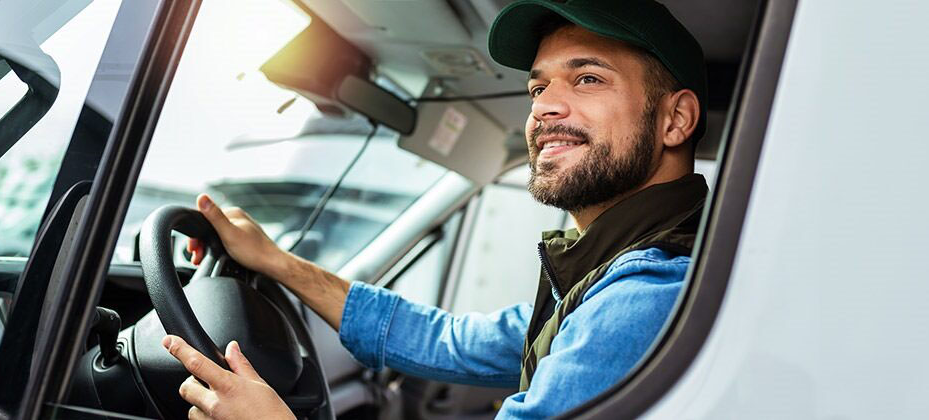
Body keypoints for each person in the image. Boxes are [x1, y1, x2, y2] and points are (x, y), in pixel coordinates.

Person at [161, 0, 710, 418]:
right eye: (537, 87)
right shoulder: (601, 277)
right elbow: (448, 340)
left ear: (675, 120)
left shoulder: (646, 296)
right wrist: (278, 262)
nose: (544, 107)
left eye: (587, 78)